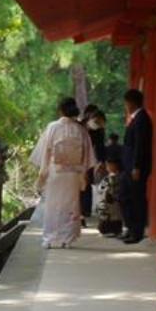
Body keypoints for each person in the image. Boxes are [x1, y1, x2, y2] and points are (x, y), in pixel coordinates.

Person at [31, 97, 96, 248]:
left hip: (56, 172)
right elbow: (87, 156)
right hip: (73, 173)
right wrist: (83, 174)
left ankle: (49, 238)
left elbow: (46, 152)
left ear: (60, 110)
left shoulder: (53, 127)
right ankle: (67, 238)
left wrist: (43, 172)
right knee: (71, 205)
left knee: (52, 205)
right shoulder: (80, 129)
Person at [118, 88, 153, 244]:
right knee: (124, 196)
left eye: (126, 103)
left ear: (131, 103)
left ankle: (136, 231)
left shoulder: (142, 119)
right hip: (128, 166)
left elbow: (141, 145)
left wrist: (137, 166)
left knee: (136, 199)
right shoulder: (135, 118)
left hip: (135, 168)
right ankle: (130, 227)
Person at [79, 106, 107, 221]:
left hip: (89, 159)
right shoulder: (79, 126)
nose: (97, 124)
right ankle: (77, 209)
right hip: (75, 158)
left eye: (99, 123)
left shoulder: (99, 130)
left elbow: (100, 146)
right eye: (96, 121)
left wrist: (101, 161)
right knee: (77, 185)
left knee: (87, 182)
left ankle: (85, 210)